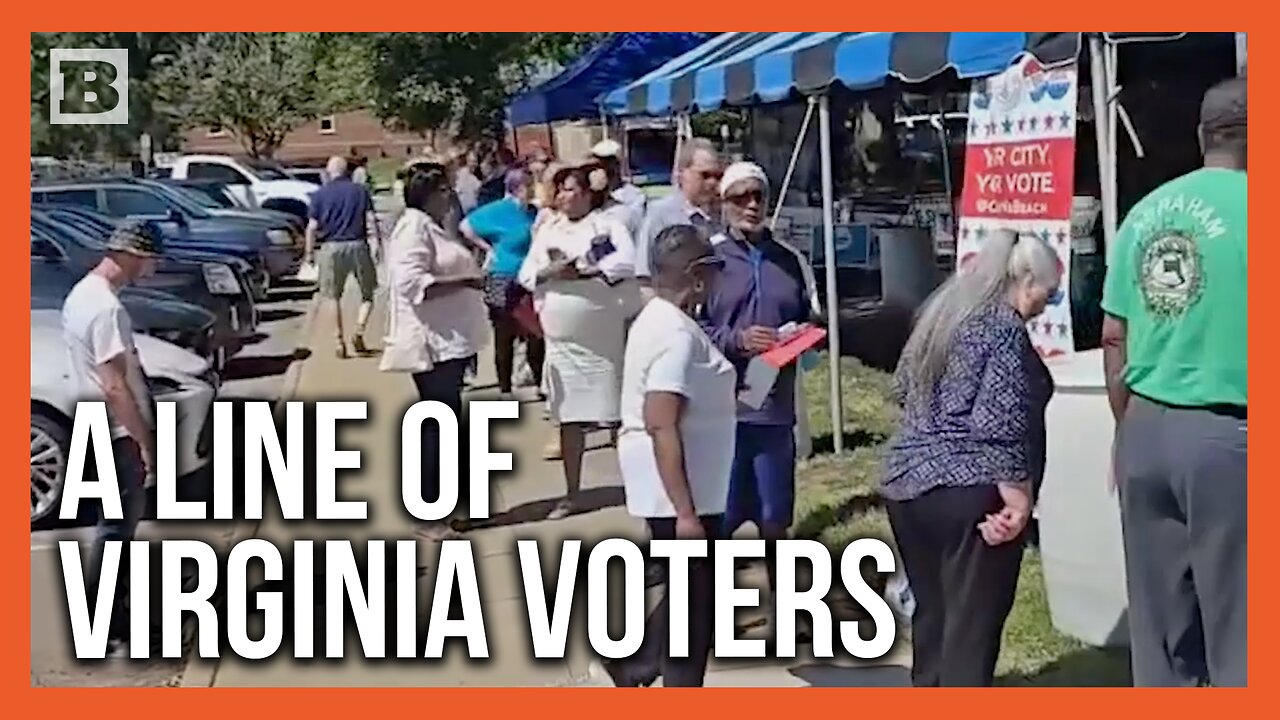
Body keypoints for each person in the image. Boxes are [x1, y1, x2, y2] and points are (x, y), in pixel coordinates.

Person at [1100, 75, 1247, 688]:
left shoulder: (1145, 214)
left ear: (1201, 136)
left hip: (1146, 426)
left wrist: (1125, 429)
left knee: (1160, 634)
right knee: (1243, 629)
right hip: (1228, 434)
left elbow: (1115, 337)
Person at [882, 229, 1060, 687]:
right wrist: (1017, 501)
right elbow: (998, 422)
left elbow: (901, 389)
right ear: (1024, 280)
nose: (1048, 304)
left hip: (908, 484)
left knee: (934, 617)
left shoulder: (944, 315)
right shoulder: (1003, 327)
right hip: (970, 491)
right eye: (1048, 291)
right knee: (972, 629)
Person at [599, 224, 734, 687]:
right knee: (692, 617)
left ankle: (632, 662)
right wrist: (686, 514)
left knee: (690, 599)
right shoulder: (675, 334)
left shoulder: (659, 320)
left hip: (686, 488)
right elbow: (661, 418)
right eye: (713, 271)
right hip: (683, 494)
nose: (718, 280)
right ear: (696, 276)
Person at [699, 162, 815, 620]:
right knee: (720, 518)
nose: (750, 205)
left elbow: (813, 319)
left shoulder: (789, 259)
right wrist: (738, 340)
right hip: (722, 410)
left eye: (758, 197)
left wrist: (799, 336)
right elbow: (692, 326)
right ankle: (706, 610)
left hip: (773, 408)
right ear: (723, 204)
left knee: (774, 516)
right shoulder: (708, 261)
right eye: (740, 197)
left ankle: (782, 608)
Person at [61, 221, 164, 658]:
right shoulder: (105, 309)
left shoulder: (81, 295)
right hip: (115, 432)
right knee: (116, 532)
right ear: (132, 256)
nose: (153, 269)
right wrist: (143, 441)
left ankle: (117, 618)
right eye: (151, 260)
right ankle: (104, 625)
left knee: (114, 529)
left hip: (93, 425)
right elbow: (115, 384)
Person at [517, 161, 638, 520]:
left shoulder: (607, 226)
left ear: (586, 194)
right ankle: (572, 493)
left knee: (615, 416)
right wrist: (551, 272)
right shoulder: (548, 231)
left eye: (571, 189)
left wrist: (584, 269)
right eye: (559, 190)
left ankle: (635, 485)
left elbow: (626, 263)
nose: (563, 196)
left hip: (602, 339)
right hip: (562, 342)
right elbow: (527, 275)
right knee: (568, 418)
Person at [381, 162, 488, 541]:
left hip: (450, 342)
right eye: (445, 190)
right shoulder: (412, 228)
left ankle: (451, 506)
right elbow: (413, 284)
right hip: (433, 344)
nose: (451, 197)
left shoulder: (431, 226)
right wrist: (468, 281)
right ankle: (429, 513)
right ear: (428, 193)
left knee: (446, 426)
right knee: (436, 428)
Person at [461, 168, 545, 398]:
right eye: (529, 185)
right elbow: (466, 226)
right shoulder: (499, 210)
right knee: (505, 334)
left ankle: (539, 383)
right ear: (518, 188)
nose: (534, 189)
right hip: (503, 276)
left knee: (534, 333)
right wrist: (488, 247)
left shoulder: (533, 211)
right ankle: (505, 389)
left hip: (530, 277)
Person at [304, 155, 383, 358]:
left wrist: (309, 253)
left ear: (329, 172)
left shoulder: (319, 195)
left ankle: (338, 341)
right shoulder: (360, 191)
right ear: (347, 171)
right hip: (358, 244)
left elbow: (312, 227)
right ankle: (359, 330)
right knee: (368, 294)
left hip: (330, 248)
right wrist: (377, 245)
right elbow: (371, 220)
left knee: (332, 297)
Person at [636, 138, 723, 298]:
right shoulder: (660, 214)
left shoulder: (722, 217)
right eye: (705, 175)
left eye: (718, 176)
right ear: (683, 173)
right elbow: (644, 278)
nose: (712, 183)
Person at [591, 139, 646, 238]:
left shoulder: (634, 196)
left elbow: (629, 225)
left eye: (607, 162)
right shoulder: (589, 195)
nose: (602, 168)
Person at [454, 150, 483, 214]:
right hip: (462, 210)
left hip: (474, 209)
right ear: (467, 161)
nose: (472, 164)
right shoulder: (461, 174)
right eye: (470, 161)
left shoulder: (478, 175)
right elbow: (457, 191)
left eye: (475, 161)